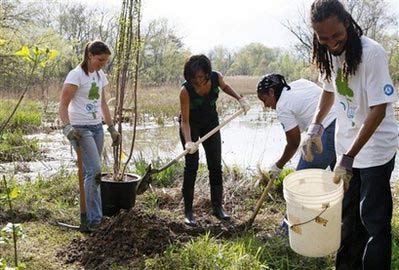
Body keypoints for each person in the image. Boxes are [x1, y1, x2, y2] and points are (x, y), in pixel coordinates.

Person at [302, 1, 398, 269]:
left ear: (346, 22)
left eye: (337, 36)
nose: (332, 43)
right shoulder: (328, 53)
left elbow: (379, 109)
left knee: (373, 220)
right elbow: (329, 90)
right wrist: (315, 126)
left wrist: (349, 157)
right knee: (347, 217)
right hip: (346, 144)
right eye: (324, 38)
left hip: (375, 147)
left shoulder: (372, 53)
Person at [179, 54, 250, 226]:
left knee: (215, 166)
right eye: (194, 77)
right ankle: (188, 212)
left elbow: (225, 87)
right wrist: (189, 142)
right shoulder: (185, 91)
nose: (198, 81)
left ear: (207, 73)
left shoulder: (216, 78)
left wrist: (240, 99)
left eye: (201, 76)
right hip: (191, 127)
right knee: (191, 167)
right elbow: (185, 121)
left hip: (211, 124)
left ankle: (218, 208)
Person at [59, 40, 121, 231]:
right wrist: (67, 127)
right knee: (93, 172)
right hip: (80, 129)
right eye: (100, 60)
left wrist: (111, 128)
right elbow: (62, 105)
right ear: (90, 55)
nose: (102, 64)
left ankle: (94, 217)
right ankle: (94, 221)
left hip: (97, 128)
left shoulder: (100, 74)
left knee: (95, 173)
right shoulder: (76, 75)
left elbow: (102, 104)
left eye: (105, 61)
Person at [257, 73, 337, 178]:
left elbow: (294, 143)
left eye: (264, 100)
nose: (266, 105)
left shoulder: (282, 106)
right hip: (343, 123)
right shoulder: (301, 83)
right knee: (340, 178)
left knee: (302, 178)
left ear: (271, 92)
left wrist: (279, 165)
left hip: (327, 129)